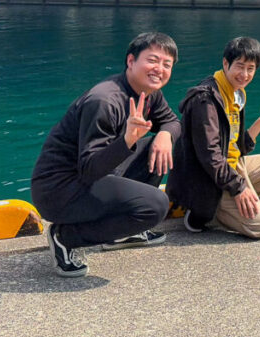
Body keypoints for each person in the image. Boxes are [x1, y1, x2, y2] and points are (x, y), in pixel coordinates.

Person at [31, 32, 181, 277]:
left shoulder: (149, 93)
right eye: (153, 60)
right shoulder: (104, 101)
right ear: (131, 61)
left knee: (157, 148)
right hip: (59, 190)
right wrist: (127, 140)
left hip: (96, 173)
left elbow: (172, 122)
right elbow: (89, 169)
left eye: (167, 64)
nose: (159, 69)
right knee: (155, 206)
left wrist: (165, 135)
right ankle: (65, 237)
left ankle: (121, 234)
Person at [166, 37, 260, 239]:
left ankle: (232, 205)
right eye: (239, 66)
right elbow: (210, 156)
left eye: (250, 69)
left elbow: (236, 147)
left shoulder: (236, 93)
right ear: (225, 63)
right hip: (208, 179)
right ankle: (209, 211)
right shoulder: (206, 99)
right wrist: (239, 188)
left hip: (232, 167)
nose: (244, 75)